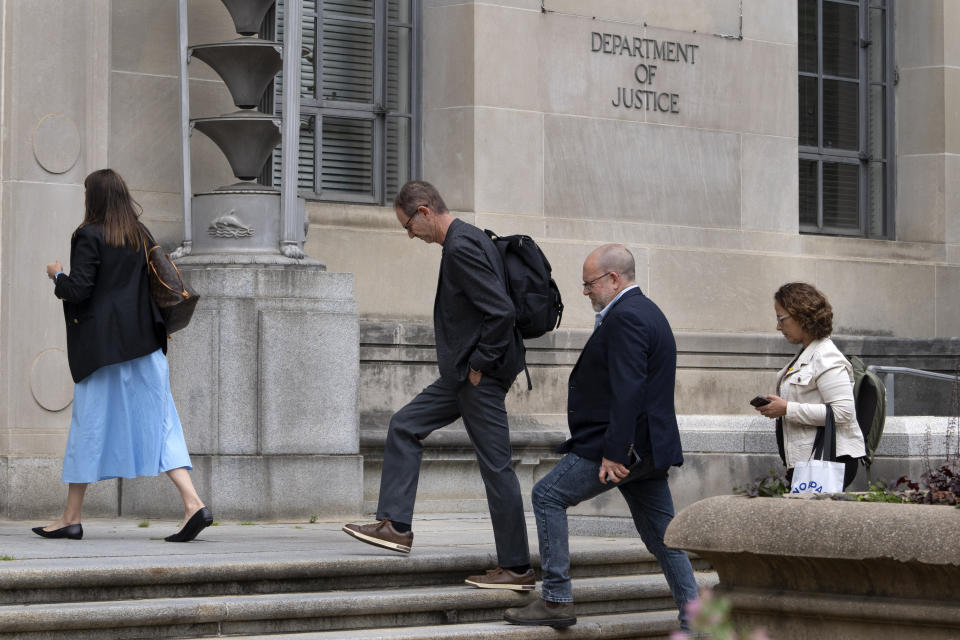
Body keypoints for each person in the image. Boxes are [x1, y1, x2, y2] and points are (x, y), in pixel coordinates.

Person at [342, 180, 533, 591]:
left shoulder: (462, 246)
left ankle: (517, 567)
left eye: (409, 225)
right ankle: (396, 526)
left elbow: (499, 313)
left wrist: (479, 365)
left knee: (497, 469)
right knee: (405, 425)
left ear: (425, 211)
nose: (410, 234)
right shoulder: (470, 238)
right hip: (464, 375)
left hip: (476, 376)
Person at [504, 244, 699, 629]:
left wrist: (614, 453)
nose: (585, 291)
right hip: (649, 449)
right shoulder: (648, 311)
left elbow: (629, 391)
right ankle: (697, 619)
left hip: (619, 447)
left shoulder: (626, 317)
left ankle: (557, 600)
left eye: (589, 283)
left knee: (547, 495)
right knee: (664, 538)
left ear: (613, 279)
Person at [37, 168, 212, 542]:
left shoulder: (88, 235)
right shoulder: (139, 234)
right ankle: (193, 502)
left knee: (89, 428)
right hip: (146, 345)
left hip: (103, 352)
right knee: (163, 424)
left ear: (94, 199)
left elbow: (78, 290)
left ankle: (71, 517)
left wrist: (56, 275)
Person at [754, 282, 865, 488]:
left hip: (829, 459)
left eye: (781, 318)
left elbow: (843, 412)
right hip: (809, 460)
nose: (778, 326)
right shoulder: (808, 354)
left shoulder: (826, 356)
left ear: (801, 315)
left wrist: (787, 409)